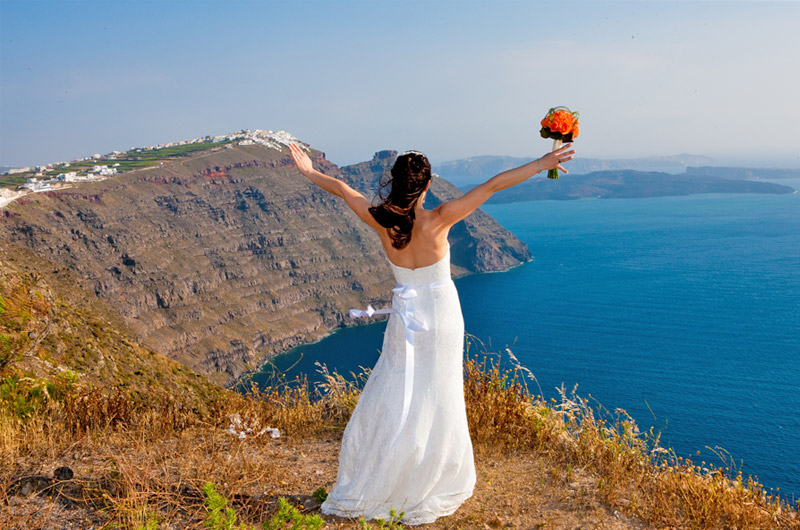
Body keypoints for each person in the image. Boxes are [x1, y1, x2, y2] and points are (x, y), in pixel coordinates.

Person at [288, 142, 575, 525]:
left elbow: (343, 188)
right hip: (440, 318)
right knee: (438, 394)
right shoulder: (440, 217)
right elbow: (491, 186)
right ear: (425, 187)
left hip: (404, 317)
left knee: (395, 388)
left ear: (394, 184)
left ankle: (384, 468)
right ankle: (427, 474)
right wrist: (542, 163)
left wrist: (308, 171)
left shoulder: (380, 220)